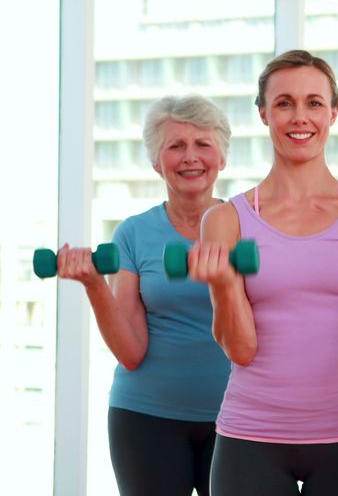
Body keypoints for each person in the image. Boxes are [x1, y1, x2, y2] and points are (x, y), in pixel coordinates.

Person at [191, 50, 338, 495]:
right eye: (284, 103)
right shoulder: (225, 222)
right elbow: (239, 350)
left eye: (314, 103)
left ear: (333, 112)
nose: (301, 117)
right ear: (263, 113)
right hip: (250, 436)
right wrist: (223, 283)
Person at [55, 95, 232, 496]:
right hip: (146, 415)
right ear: (156, 160)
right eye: (175, 146)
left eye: (202, 144)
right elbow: (131, 352)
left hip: (239, 417)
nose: (190, 157)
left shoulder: (250, 228)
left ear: (222, 157)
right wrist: (94, 284)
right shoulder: (133, 234)